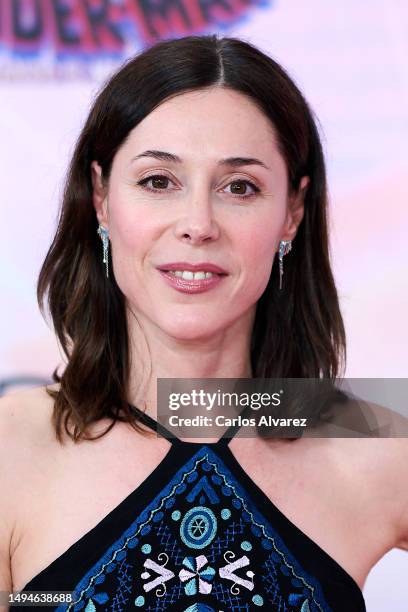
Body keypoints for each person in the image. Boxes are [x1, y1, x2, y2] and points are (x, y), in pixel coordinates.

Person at [0, 34, 407, 612]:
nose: (198, 224)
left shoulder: (368, 443)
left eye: (239, 187)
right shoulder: (10, 446)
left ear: (292, 210)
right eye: (158, 181)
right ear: (100, 197)